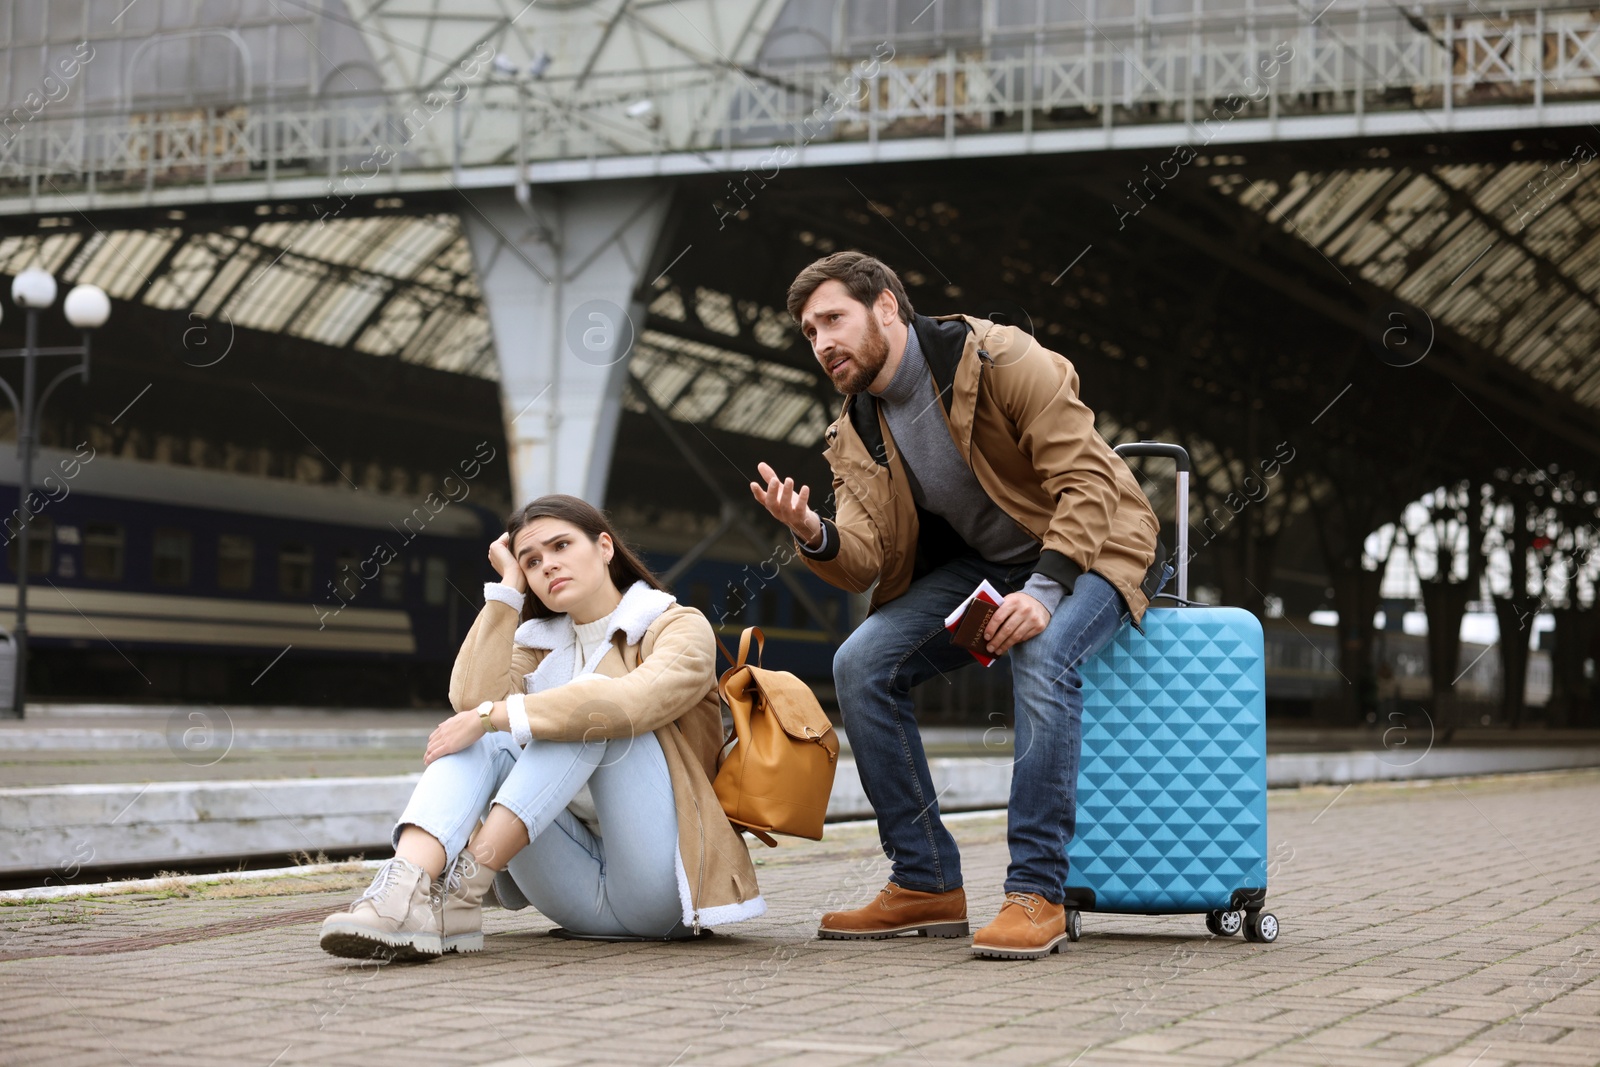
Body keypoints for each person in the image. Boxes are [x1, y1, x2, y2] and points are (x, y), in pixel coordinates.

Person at [751, 252, 1163, 960]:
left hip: (1094, 545)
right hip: (987, 566)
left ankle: (1037, 891)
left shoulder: (1000, 358)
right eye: (808, 332)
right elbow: (865, 562)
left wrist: (1044, 593)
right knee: (860, 663)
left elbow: (1089, 481)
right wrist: (813, 533)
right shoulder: (856, 430)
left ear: (886, 306)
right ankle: (926, 879)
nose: (820, 343)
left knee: (1042, 647)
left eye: (832, 320)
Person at [319, 495, 765, 960]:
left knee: (581, 708)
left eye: (561, 546)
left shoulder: (675, 627)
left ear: (605, 547)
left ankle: (460, 883)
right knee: (487, 731)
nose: (548, 565)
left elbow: (630, 702)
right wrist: (508, 588)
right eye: (533, 561)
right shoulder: (540, 646)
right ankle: (412, 894)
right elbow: (470, 700)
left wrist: (495, 715)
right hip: (574, 895)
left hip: (666, 893)